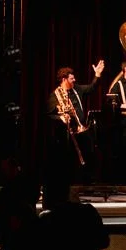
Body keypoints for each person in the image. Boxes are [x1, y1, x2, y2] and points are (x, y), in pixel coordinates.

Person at [45, 60, 106, 201]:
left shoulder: (76, 89)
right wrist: (60, 117)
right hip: (67, 134)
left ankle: (88, 186)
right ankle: (71, 188)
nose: (74, 80)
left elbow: (91, 88)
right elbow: (49, 115)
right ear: (64, 79)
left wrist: (97, 75)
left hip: (82, 129)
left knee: (89, 156)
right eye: (71, 78)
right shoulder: (55, 95)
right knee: (70, 160)